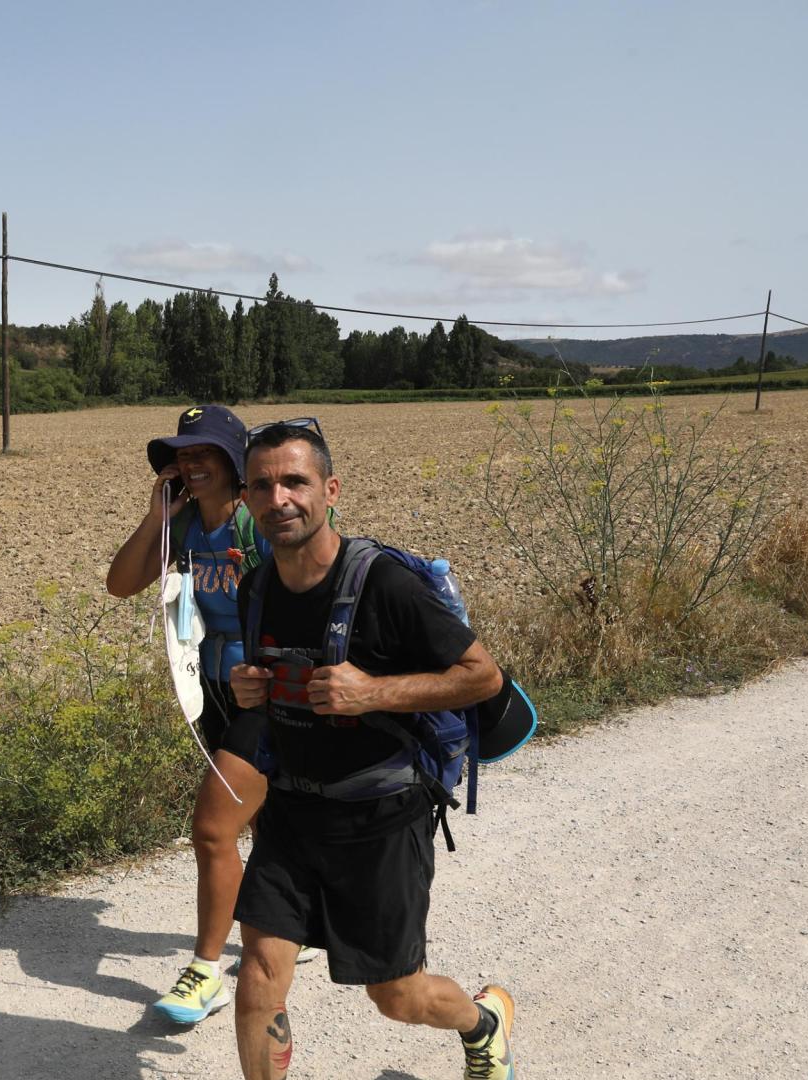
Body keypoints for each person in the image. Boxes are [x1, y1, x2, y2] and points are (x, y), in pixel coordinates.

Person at [228, 419, 516, 1080]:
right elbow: (279, 688)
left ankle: (483, 1023)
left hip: (380, 818)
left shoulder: (385, 585)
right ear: (245, 499)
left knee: (397, 996)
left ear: (329, 490)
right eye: (262, 486)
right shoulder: (257, 589)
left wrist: (374, 693)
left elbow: (482, 677)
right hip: (291, 814)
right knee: (259, 976)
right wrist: (251, 690)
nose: (279, 499)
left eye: (295, 481)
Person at [105, 404, 307, 1025]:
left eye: (204, 453)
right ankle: (286, 923)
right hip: (211, 687)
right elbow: (121, 583)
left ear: (233, 462)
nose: (191, 464)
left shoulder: (257, 523)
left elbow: (306, 595)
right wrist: (156, 518)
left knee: (214, 828)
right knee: (264, 816)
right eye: (182, 455)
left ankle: (206, 972)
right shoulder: (186, 525)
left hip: (265, 691)